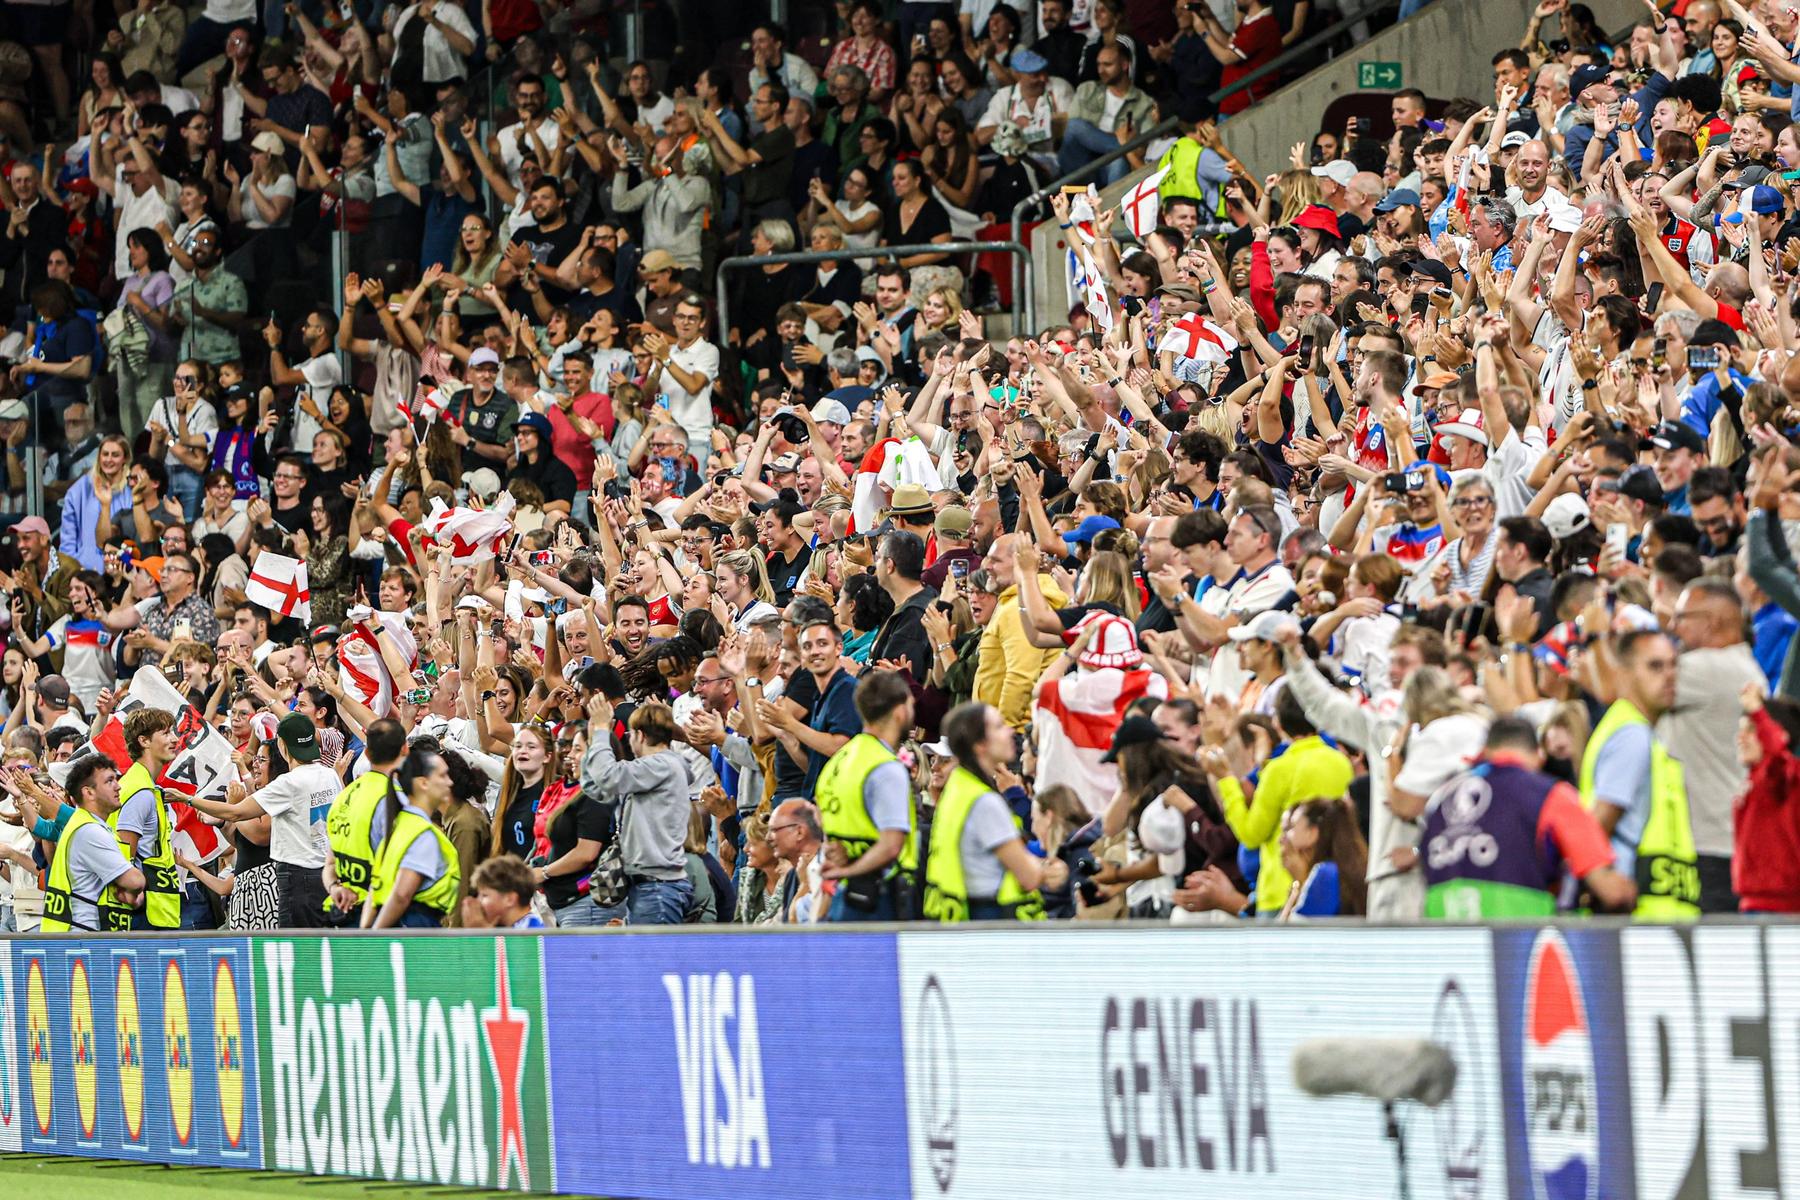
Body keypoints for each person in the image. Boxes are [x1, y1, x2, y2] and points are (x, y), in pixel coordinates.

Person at [1416, 716, 1637, 918]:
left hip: (1445, 947)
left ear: (1485, 752)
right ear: (1540, 755)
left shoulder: (1440, 800)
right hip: (1519, 945)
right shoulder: (1552, 795)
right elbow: (1611, 892)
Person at [1578, 630, 1702, 921]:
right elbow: (1597, 823)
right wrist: (1602, 884)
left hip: (1653, 915)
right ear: (1624, 675)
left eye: (1674, 665)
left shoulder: (1639, 731)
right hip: (1634, 918)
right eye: (1655, 666)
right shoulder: (1631, 735)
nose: (1670, 675)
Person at [184, 712, 338, 926]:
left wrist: (188, 799)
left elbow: (237, 814)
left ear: (282, 746)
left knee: (297, 950)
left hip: (296, 878)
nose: (256, 764)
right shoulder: (329, 774)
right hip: (326, 873)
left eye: (262, 759)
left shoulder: (288, 783)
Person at [922, 701, 1052, 921]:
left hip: (964, 917)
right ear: (980, 744)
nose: (1010, 731)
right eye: (999, 726)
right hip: (991, 918)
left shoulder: (959, 789)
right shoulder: (984, 802)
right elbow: (1028, 876)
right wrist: (1051, 871)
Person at [581, 695, 695, 925]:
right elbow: (597, 787)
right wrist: (595, 739)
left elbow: (608, 776)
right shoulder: (648, 773)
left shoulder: (663, 765)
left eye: (629, 735)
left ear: (640, 735)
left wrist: (604, 730)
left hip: (658, 888)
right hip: (648, 887)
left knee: (655, 961)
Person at [816, 670, 918, 921]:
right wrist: (848, 869)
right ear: (900, 712)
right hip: (880, 898)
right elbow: (892, 845)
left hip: (846, 898)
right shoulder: (885, 767)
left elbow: (824, 818)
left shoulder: (840, 759)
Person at [37, 754, 145, 933]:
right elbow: (135, 881)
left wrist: (133, 894)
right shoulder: (90, 831)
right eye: (109, 781)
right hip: (83, 939)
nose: (118, 786)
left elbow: (132, 893)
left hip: (83, 937)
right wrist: (135, 889)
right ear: (88, 792)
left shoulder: (89, 825)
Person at [362, 745, 463, 929]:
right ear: (423, 783)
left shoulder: (398, 826)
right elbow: (401, 895)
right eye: (442, 776)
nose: (450, 782)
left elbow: (374, 891)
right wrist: (373, 937)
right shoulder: (423, 834)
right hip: (415, 937)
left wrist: (366, 933)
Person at [321, 716, 405, 923]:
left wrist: (334, 887)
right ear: (405, 750)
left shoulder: (343, 797)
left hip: (342, 910)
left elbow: (329, 864)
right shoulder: (398, 800)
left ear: (366, 753)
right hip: (382, 916)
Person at [112, 708, 183, 929]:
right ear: (144, 741)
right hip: (144, 911)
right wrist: (133, 893)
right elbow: (126, 851)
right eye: (166, 733)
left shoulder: (141, 784)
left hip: (152, 907)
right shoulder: (141, 791)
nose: (175, 739)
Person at [460, 854, 545, 928]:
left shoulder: (531, 933)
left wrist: (481, 934)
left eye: (484, 895)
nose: (478, 901)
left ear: (510, 899)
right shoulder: (508, 928)